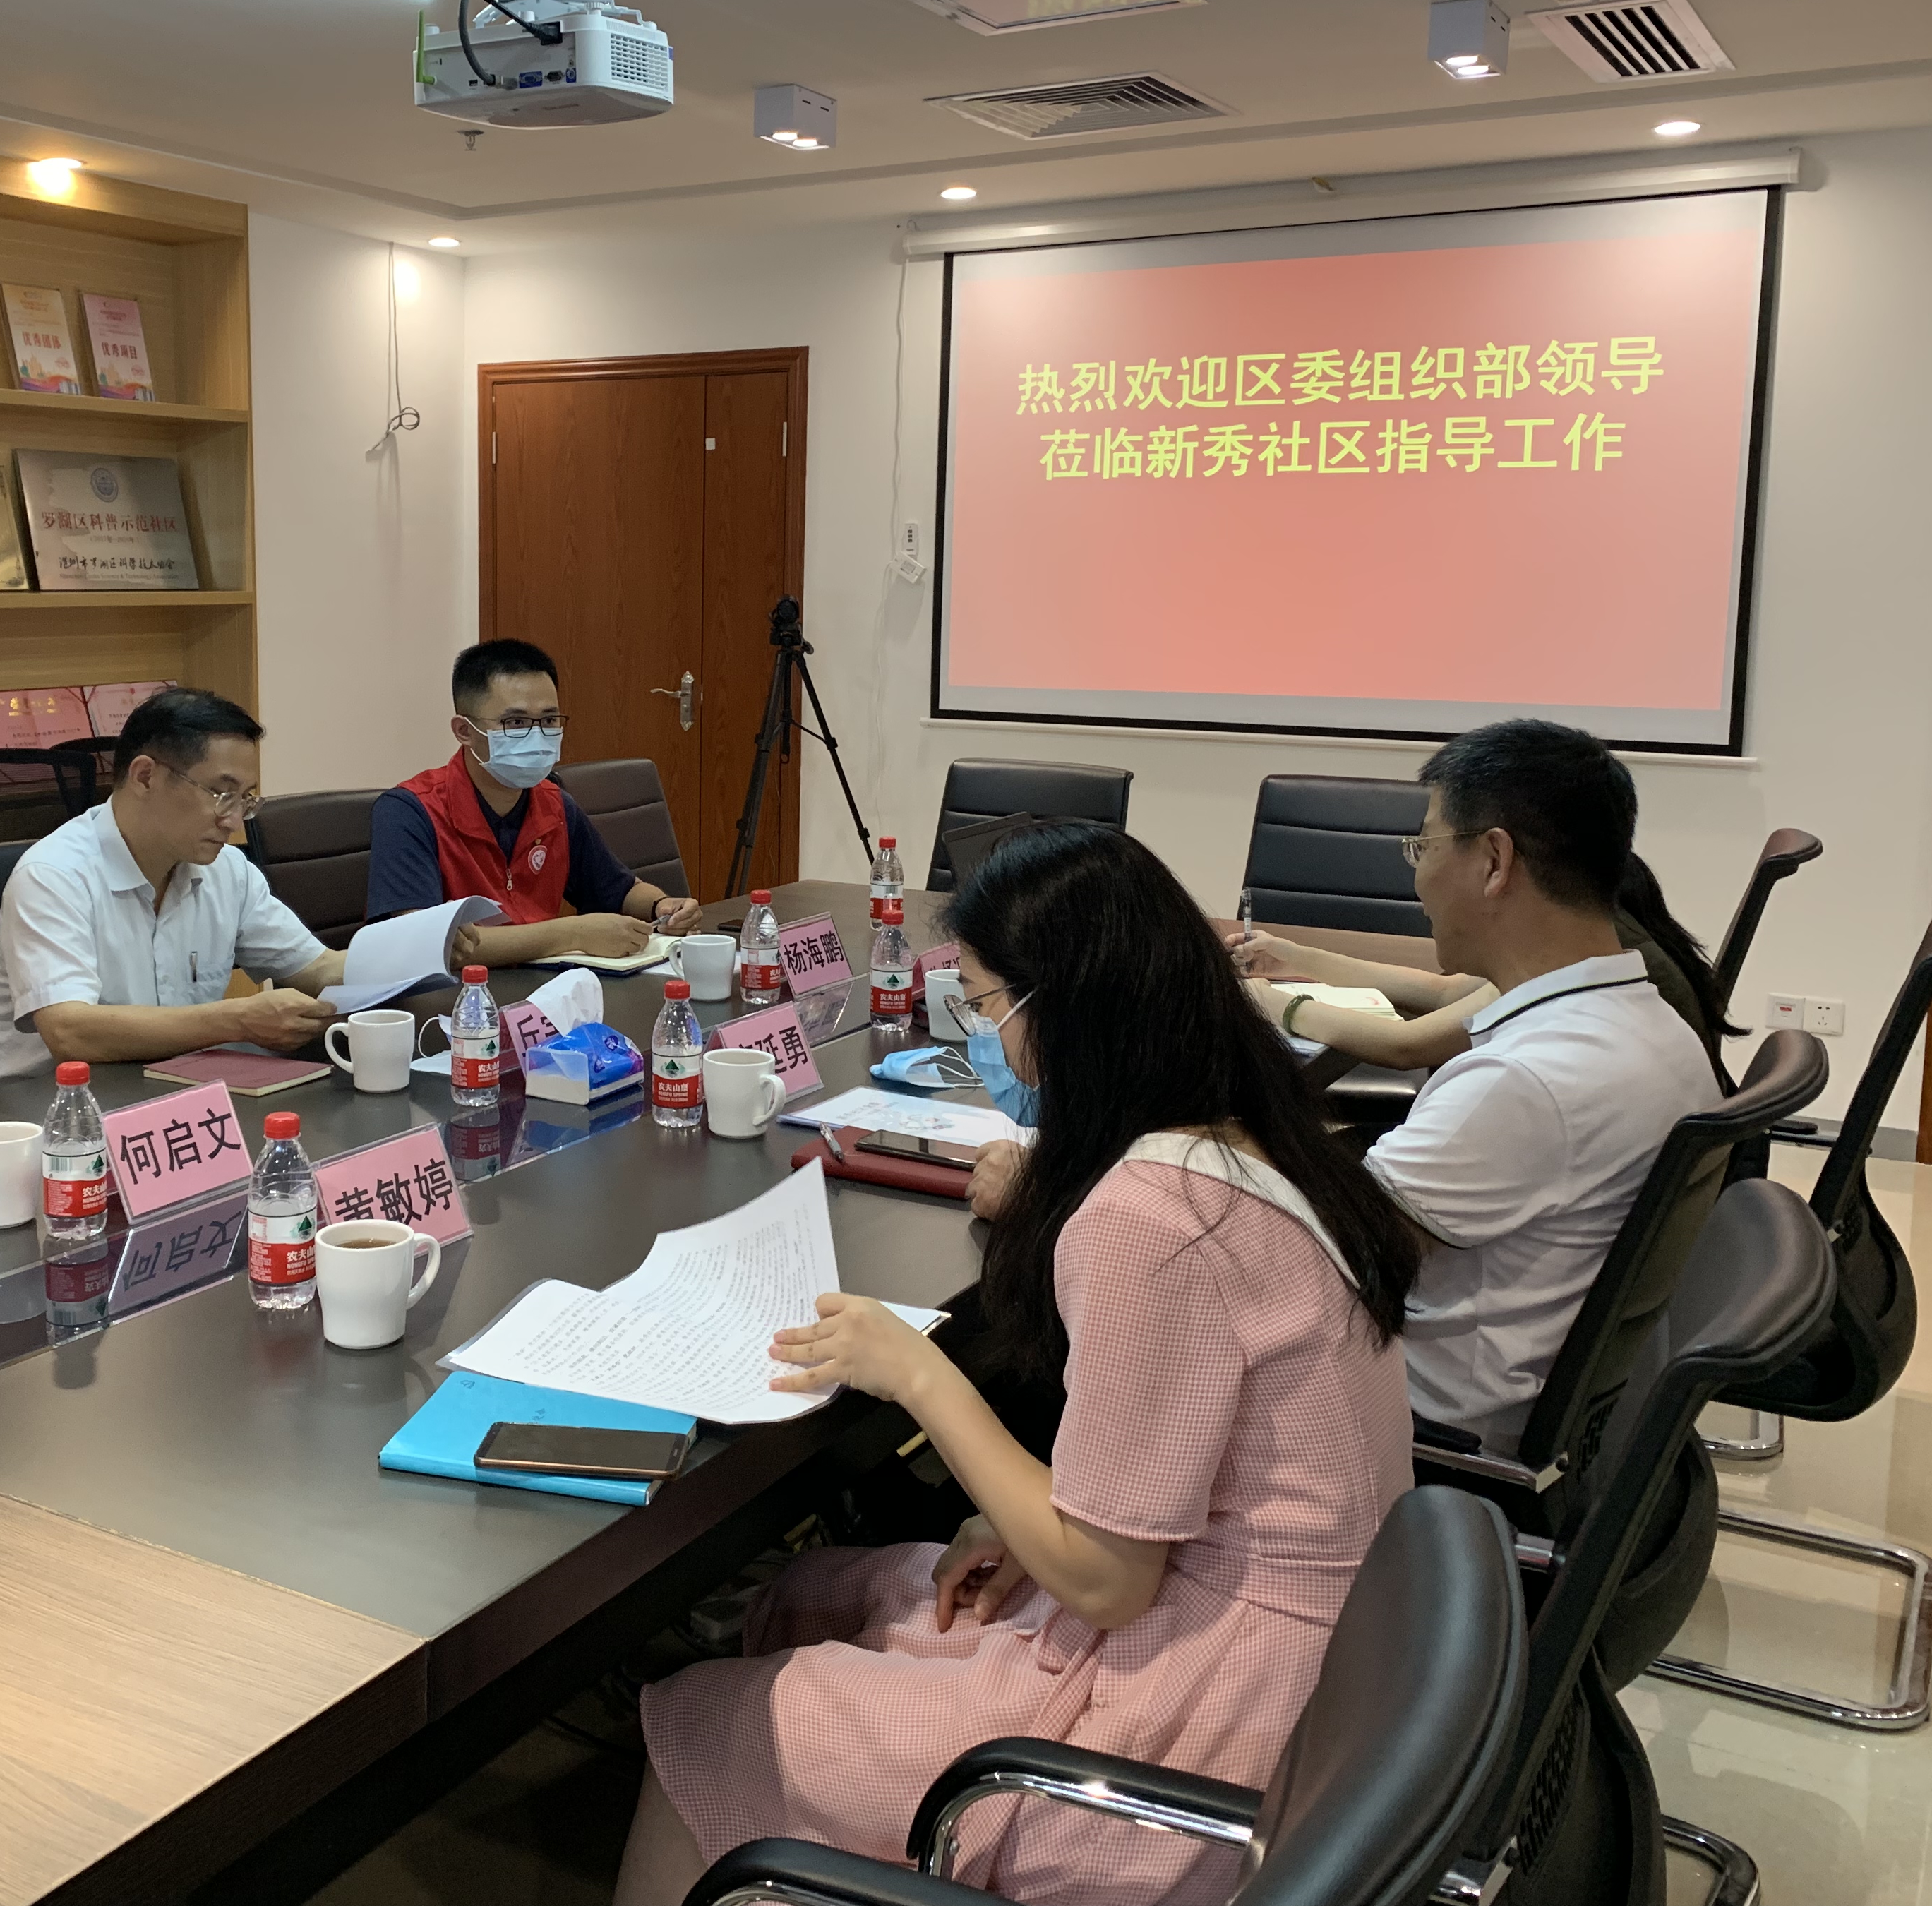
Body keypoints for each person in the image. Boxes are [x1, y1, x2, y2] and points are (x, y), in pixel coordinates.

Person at [616, 823, 1423, 1906]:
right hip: (1313, 1659)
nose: (982, 1033)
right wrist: (1029, 1508)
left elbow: (1108, 1580)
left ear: (1067, 1010)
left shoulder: (1151, 1220)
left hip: (1205, 1720)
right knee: (819, 1588)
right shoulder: (1249, 1136)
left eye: (986, 1004)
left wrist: (916, 1373)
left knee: (706, 1717)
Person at [1340, 719, 1722, 1452]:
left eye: (1424, 846)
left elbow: (1325, 1257)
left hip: (1425, 1431)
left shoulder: (1522, 1082)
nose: (1417, 878)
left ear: (1494, 861)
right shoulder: (1656, 1027)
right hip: (1538, 1405)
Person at [0, 687, 347, 1092]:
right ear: (145, 776)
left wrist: (391, 958)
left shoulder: (226, 870)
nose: (234, 822)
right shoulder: (54, 874)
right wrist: (238, 1020)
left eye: (244, 799)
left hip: (160, 1091)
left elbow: (316, 969)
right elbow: (70, 1032)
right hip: (34, 1105)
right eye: (221, 795)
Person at [1228, 849, 1736, 1077]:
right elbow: (1446, 991)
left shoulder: (1576, 960)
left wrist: (1275, 1005)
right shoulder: (1605, 927)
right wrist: (1298, 958)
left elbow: (1407, 1046)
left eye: (1428, 847)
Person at [367, 637, 703, 966]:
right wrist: (572, 934)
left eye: (549, 720)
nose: (537, 734)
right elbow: (425, 941)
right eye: (516, 722)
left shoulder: (555, 804)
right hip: (457, 995)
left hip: (545, 986)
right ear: (464, 731)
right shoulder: (410, 811)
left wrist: (662, 906)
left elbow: (618, 889)